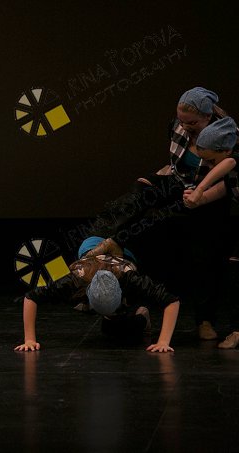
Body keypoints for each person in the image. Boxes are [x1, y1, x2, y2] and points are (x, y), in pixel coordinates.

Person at [84, 87, 233, 340]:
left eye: (192, 123)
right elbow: (176, 165)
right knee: (140, 191)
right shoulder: (178, 125)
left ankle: (205, 320)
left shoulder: (226, 136)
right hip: (181, 184)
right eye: (182, 122)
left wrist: (201, 196)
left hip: (210, 194)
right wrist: (157, 179)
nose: (185, 127)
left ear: (208, 117)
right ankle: (107, 245)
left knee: (206, 256)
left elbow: (228, 181)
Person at [14, 238, 180, 353]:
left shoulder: (130, 278)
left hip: (123, 255)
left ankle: (133, 315)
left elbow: (171, 301)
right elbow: (31, 297)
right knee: (110, 327)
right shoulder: (74, 281)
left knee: (115, 331)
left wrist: (163, 342)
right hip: (91, 247)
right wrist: (29, 339)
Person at [181, 117, 239, 349]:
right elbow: (226, 187)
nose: (209, 166)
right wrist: (201, 199)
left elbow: (229, 163)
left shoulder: (233, 156)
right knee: (233, 267)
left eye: (211, 160)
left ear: (226, 150)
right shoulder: (228, 163)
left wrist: (201, 188)